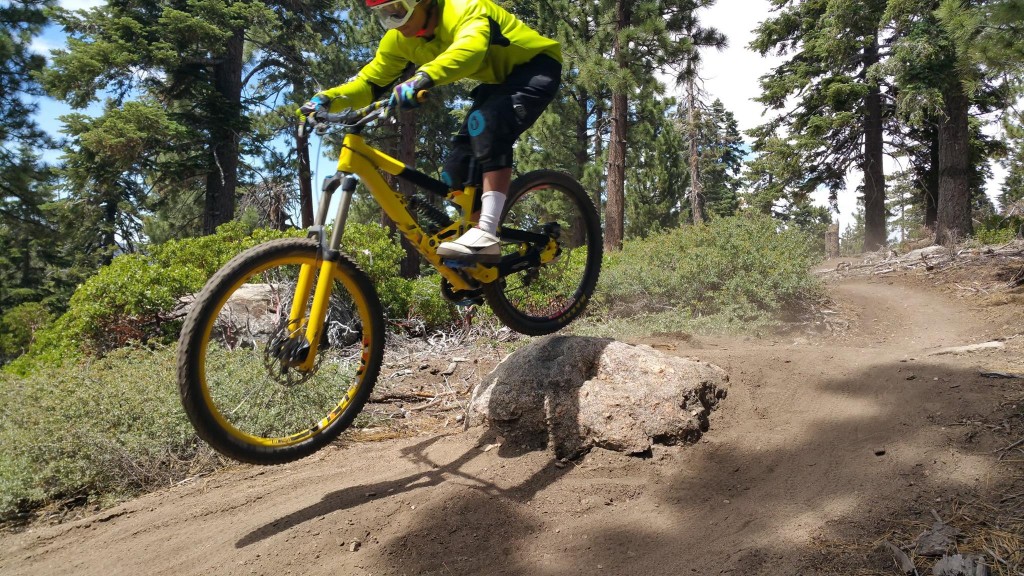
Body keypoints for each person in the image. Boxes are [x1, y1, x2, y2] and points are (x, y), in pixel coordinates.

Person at [299, 0, 561, 262]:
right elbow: (369, 83)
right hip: (497, 80)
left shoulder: (465, 7)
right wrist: (326, 99)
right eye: (384, 14)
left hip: (536, 67)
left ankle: (487, 232)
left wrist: (422, 78)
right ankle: (478, 258)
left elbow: (470, 49)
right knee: (455, 171)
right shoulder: (398, 40)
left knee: (488, 123)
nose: (393, 21)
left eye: (398, 11)